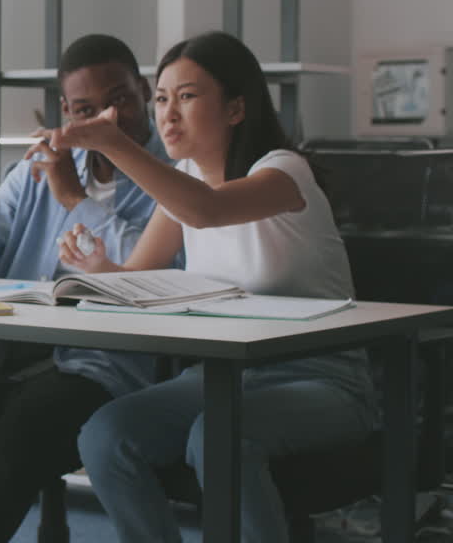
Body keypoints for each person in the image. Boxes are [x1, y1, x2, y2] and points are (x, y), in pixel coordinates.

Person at [57, 31, 374, 543]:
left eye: (186, 96)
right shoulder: (184, 179)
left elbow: (205, 210)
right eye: (162, 99)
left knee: (216, 435)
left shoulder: (283, 172)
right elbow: (136, 279)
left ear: (235, 108)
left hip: (323, 379)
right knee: (106, 436)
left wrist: (113, 144)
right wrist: (98, 269)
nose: (168, 114)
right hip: (224, 375)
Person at [0, 33, 176, 543]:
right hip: (9, 348)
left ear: (143, 91)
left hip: (103, 366)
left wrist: (75, 200)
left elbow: (156, 271)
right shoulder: (40, 165)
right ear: (66, 112)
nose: (106, 120)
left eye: (119, 99)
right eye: (86, 109)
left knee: (20, 435)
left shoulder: (176, 173)